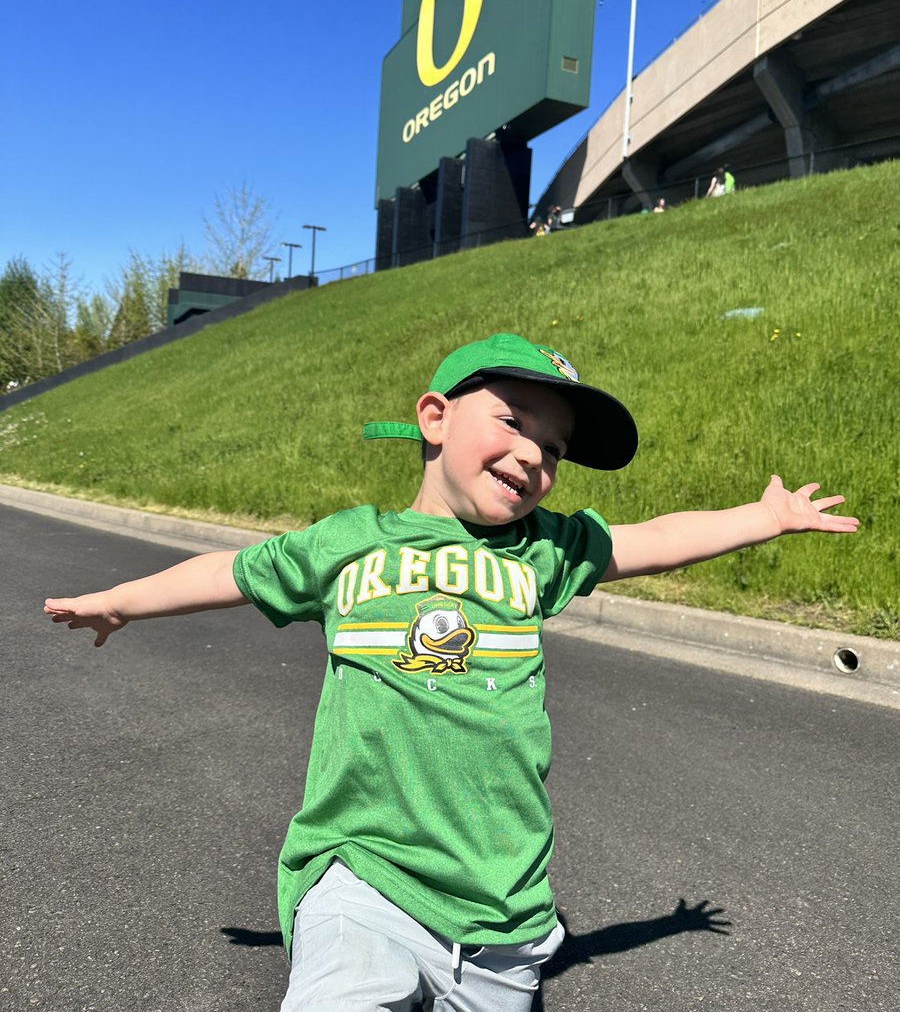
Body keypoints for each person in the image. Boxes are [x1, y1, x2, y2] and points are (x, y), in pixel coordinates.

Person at [44, 334, 858, 1012]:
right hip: (361, 872)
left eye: (557, 449)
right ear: (435, 417)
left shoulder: (544, 552)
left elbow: (651, 540)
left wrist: (765, 518)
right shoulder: (349, 544)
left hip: (503, 905)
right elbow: (230, 572)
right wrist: (121, 601)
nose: (534, 454)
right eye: (513, 421)